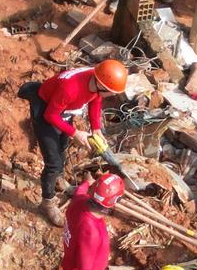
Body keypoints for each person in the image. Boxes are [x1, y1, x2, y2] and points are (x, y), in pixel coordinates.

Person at [18, 61, 129, 226]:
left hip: (63, 109)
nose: (112, 95)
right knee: (53, 162)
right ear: (100, 83)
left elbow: (95, 100)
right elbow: (50, 115)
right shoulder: (71, 88)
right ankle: (47, 203)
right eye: (111, 92)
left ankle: (59, 180)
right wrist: (75, 133)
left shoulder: (97, 78)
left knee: (63, 145)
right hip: (46, 110)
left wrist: (96, 129)